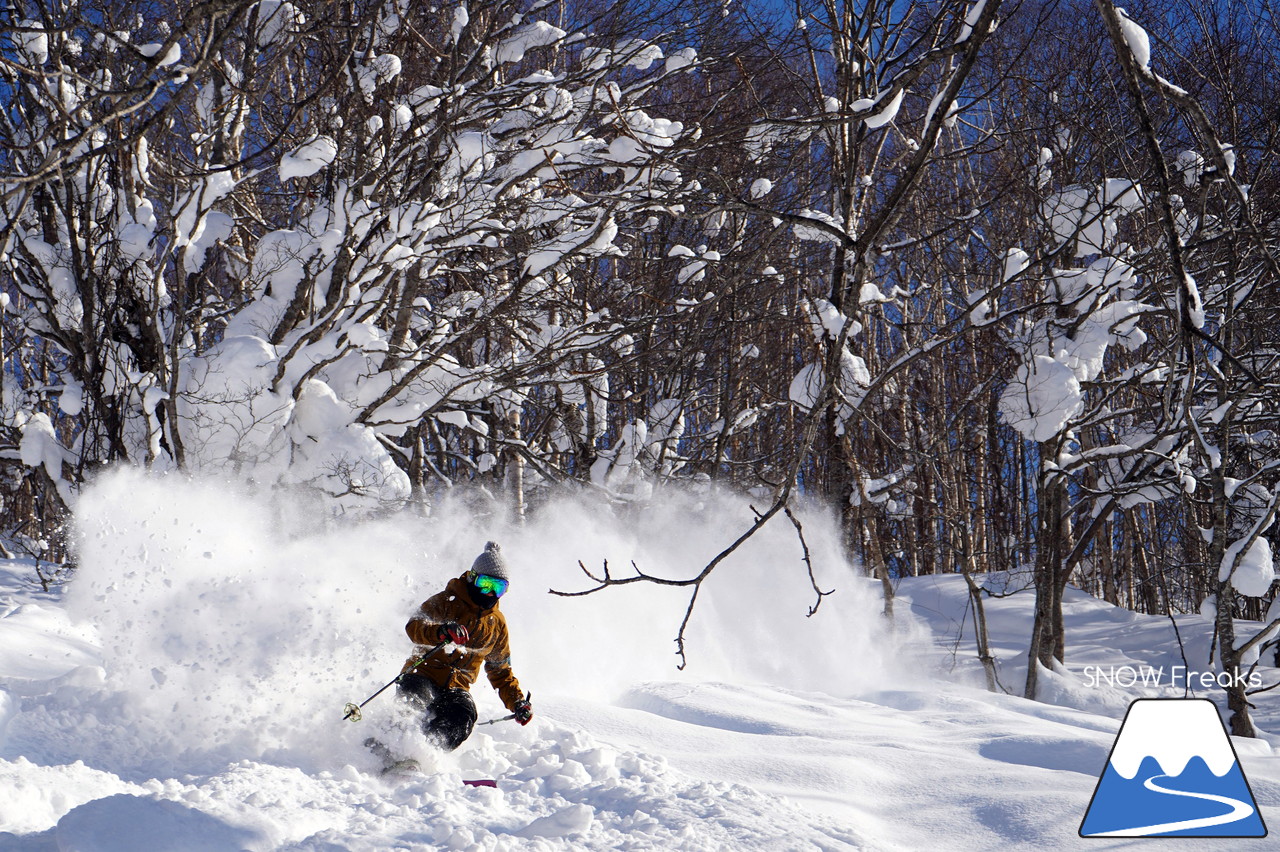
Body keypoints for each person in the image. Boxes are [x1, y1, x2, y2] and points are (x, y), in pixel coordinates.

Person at [397, 541, 532, 751]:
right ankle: (393, 747)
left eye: (498, 588)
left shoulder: (496, 624)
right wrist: (440, 632)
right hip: (421, 674)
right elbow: (414, 627)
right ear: (472, 578)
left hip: (457, 687)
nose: (489, 593)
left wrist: (517, 702)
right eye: (485, 584)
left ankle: (424, 756)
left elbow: (500, 670)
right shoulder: (446, 601)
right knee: (414, 704)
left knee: (463, 714)